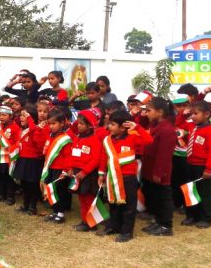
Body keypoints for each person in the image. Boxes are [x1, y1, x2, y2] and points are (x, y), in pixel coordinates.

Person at [97, 111, 152, 242]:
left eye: (113, 124)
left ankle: (127, 232)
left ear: (123, 127)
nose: (109, 126)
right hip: (112, 177)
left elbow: (148, 140)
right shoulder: (107, 140)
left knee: (128, 206)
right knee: (114, 203)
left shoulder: (132, 138)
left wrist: (137, 127)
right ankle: (114, 226)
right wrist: (101, 173)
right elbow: (104, 157)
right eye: (109, 123)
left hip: (128, 178)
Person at [140, 98, 176, 236]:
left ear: (160, 112)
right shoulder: (155, 126)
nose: (146, 113)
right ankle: (158, 221)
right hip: (150, 168)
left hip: (160, 171)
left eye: (149, 111)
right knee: (153, 196)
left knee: (163, 197)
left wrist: (159, 172)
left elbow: (164, 155)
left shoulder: (167, 130)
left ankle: (166, 225)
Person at [181, 101, 211, 228]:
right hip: (189, 164)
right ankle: (192, 216)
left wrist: (208, 169)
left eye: (195, 113)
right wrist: (183, 114)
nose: (192, 116)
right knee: (190, 191)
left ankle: (206, 218)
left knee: (204, 192)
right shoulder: (193, 126)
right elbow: (178, 124)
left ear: (207, 114)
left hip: (202, 167)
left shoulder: (210, 131)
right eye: (191, 113)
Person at [68, 110, 103, 232]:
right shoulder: (77, 138)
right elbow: (72, 154)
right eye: (78, 123)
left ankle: (91, 223)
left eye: (82, 124)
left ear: (89, 125)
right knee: (81, 198)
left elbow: (96, 158)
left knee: (88, 198)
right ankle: (85, 221)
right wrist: (71, 167)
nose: (78, 126)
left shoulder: (94, 139)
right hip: (77, 172)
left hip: (88, 174)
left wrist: (85, 171)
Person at [41, 109, 74, 223]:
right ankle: (54, 211)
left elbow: (68, 156)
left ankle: (61, 213)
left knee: (60, 192)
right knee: (51, 190)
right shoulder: (50, 135)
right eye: (49, 123)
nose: (51, 126)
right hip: (50, 168)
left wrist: (67, 169)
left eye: (54, 123)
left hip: (60, 170)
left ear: (62, 123)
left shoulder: (65, 139)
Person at [14, 107, 46, 215]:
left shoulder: (36, 129)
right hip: (23, 159)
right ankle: (25, 205)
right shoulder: (21, 129)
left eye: (25, 116)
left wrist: (30, 118)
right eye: (21, 115)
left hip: (32, 161)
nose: (22, 118)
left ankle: (33, 207)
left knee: (32, 184)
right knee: (24, 183)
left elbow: (34, 133)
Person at [0, 105, 21, 204]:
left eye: (4, 115)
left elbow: (17, 142)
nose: (1, 117)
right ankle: (0, 194)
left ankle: (10, 196)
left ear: (10, 116)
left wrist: (11, 151)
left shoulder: (15, 127)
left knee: (8, 176)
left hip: (9, 155)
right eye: (0, 115)